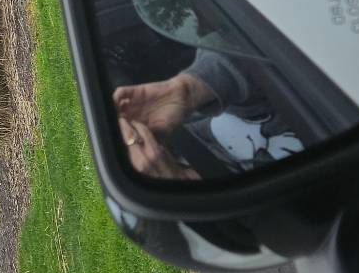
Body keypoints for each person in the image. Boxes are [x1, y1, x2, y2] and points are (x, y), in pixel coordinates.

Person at [114, 49, 304, 179]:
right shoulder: (205, 212)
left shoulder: (182, 117)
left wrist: (188, 89)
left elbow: (244, 41)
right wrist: (184, 186)